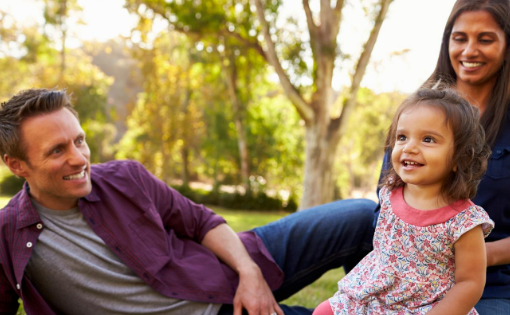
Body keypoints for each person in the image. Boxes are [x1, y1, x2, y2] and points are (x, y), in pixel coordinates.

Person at [0, 88, 376, 315]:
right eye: (57, 150)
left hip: (228, 263)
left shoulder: (124, 178)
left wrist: (249, 273)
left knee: (361, 215)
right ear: (17, 165)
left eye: (79, 140)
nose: (79, 158)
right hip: (216, 310)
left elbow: (199, 222)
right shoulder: (7, 237)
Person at [373, 1, 510, 314]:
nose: (469, 50)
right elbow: (389, 193)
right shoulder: (415, 112)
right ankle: (259, 273)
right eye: (460, 38)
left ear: (508, 46)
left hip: (493, 286)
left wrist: (473, 255)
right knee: (347, 214)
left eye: (485, 39)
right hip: (406, 278)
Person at [314, 87, 494, 315]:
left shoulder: (465, 222)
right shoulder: (390, 193)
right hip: (376, 296)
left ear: (460, 157)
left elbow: (470, 284)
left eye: (428, 139)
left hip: (427, 307)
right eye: (402, 137)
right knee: (324, 311)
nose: (409, 147)